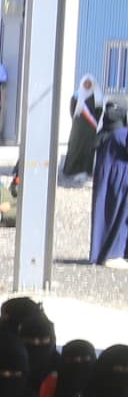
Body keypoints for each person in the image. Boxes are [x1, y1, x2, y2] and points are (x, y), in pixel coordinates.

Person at [94, 102, 128, 270]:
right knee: (118, 217)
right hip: (119, 178)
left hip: (111, 178)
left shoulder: (108, 132)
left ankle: (110, 252)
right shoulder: (121, 134)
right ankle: (113, 254)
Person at [66, 75, 103, 186]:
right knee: (75, 146)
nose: (87, 85)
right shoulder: (77, 95)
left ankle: (85, 170)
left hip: (90, 129)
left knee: (87, 148)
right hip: (77, 127)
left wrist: (93, 123)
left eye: (89, 83)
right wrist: (78, 121)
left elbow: (99, 112)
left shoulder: (97, 96)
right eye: (85, 83)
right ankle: (71, 169)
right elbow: (72, 110)